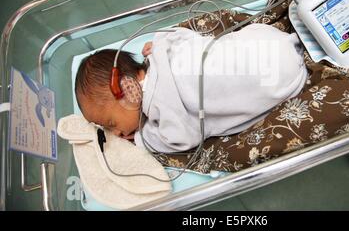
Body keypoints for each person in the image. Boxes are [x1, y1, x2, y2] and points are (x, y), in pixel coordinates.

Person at [74, 23, 308, 152]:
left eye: (112, 124)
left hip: (283, 77)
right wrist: (157, 44)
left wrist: (143, 139)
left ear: (125, 91)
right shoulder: (164, 49)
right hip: (270, 40)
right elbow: (188, 36)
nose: (116, 133)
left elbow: (180, 139)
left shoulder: (159, 103)